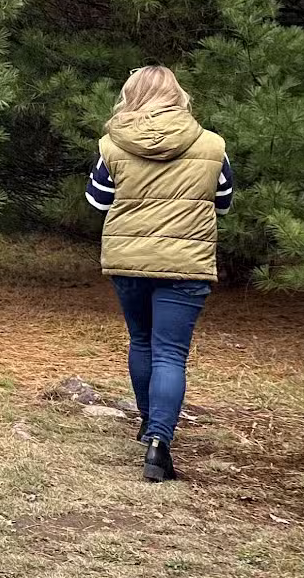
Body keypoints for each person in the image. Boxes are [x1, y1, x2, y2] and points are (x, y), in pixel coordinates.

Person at [85, 65, 235, 482]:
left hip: (129, 257)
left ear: (131, 95)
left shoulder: (111, 143)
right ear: (177, 95)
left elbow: (97, 201)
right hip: (187, 262)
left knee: (142, 341)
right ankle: (159, 442)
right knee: (171, 353)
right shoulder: (212, 145)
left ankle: (149, 426)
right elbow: (223, 202)